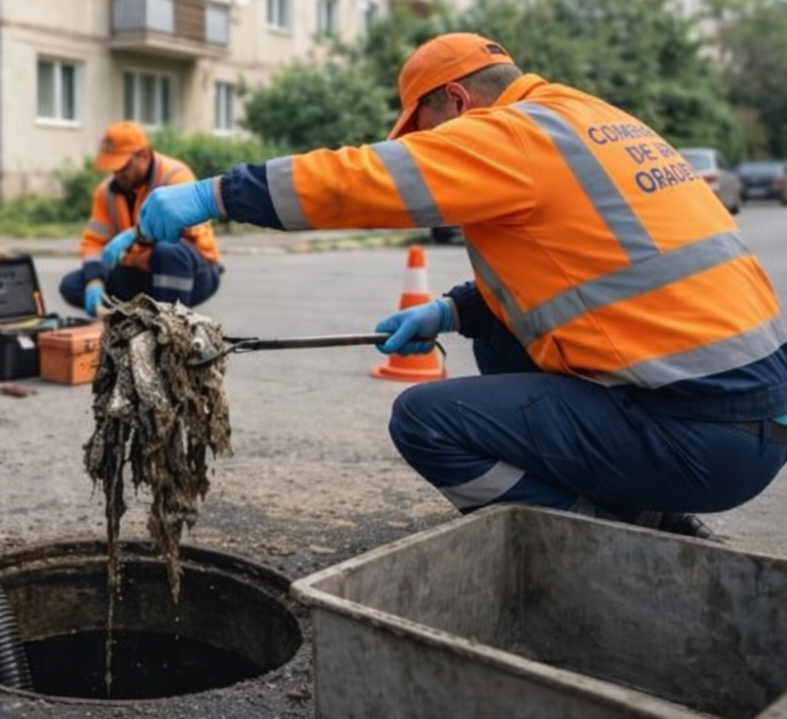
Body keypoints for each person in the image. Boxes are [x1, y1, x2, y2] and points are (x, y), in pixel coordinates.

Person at [136, 31, 787, 537]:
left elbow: (365, 178)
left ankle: (602, 543)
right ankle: (652, 514)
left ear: (455, 101)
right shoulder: (589, 120)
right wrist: (449, 312)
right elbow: (591, 269)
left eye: (422, 132)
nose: (423, 146)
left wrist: (218, 192)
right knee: (500, 349)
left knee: (426, 422)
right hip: (754, 420)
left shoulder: (509, 132)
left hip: (698, 435)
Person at [60, 120, 222, 318]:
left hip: (194, 271)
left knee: (167, 251)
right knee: (73, 285)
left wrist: (138, 233)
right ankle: (137, 325)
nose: (117, 174)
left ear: (144, 155)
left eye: (123, 166)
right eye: (113, 168)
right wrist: (95, 282)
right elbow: (94, 242)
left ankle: (170, 328)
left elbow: (189, 230)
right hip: (143, 272)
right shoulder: (106, 192)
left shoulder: (175, 176)